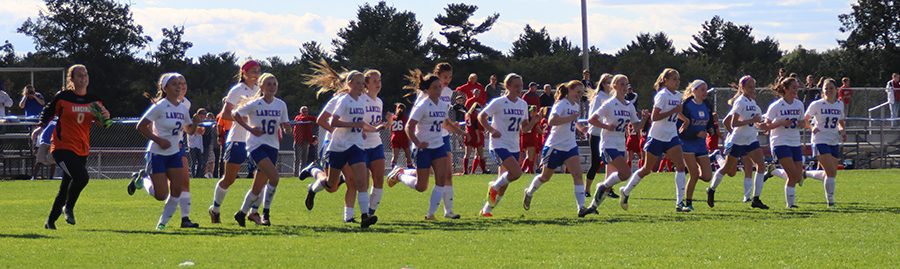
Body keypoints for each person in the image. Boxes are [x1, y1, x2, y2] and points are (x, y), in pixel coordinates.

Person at [127, 72, 202, 230]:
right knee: (161, 195)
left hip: (174, 154)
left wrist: (194, 123)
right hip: (158, 154)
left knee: (177, 190)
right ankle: (144, 180)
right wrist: (159, 140)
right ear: (165, 88)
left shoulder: (182, 107)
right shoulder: (160, 106)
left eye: (180, 84)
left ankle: (162, 223)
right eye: (174, 84)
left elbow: (189, 130)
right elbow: (140, 126)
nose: (178, 87)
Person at [41, 64, 111, 230]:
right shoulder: (64, 97)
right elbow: (48, 112)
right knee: (82, 178)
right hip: (62, 147)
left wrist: (106, 117)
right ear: (71, 79)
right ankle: (69, 207)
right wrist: (40, 126)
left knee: (66, 185)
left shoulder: (93, 100)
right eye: (79, 75)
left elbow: (104, 124)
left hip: (82, 149)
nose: (83, 78)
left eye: (85, 75)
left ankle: (50, 221)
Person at [386, 73, 460, 220]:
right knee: (422, 186)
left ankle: (430, 214)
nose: (439, 90)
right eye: (435, 87)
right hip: (423, 149)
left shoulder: (442, 105)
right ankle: (400, 174)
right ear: (427, 90)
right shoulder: (422, 105)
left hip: (438, 146)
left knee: (441, 179)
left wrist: (461, 132)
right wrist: (417, 142)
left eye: (439, 87)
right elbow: (409, 127)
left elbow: (445, 123)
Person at [619, 68, 690, 212]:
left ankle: (679, 203)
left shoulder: (678, 95)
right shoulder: (662, 95)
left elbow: (676, 114)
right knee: (647, 169)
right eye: (674, 79)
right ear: (665, 80)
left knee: (681, 166)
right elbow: (655, 117)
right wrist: (673, 111)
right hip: (657, 136)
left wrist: (685, 120)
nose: (677, 82)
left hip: (671, 135)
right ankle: (625, 191)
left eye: (678, 79)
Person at [522, 80, 591, 216]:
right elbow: (552, 121)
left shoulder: (576, 105)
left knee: (577, 175)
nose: (579, 95)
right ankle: (529, 191)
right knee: (545, 177)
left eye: (581, 93)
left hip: (570, 146)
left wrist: (581, 129)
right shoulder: (561, 104)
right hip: (555, 146)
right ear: (569, 91)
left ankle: (581, 207)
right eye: (577, 92)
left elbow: (574, 121)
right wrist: (571, 117)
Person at [230, 73, 291, 227]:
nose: (272, 87)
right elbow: (235, 113)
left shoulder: (281, 104)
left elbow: (285, 124)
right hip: (256, 146)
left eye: (274, 84)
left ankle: (241, 213)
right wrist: (249, 128)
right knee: (275, 178)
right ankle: (266, 212)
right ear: (262, 87)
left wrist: (287, 128)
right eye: (269, 84)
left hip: (273, 146)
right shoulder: (256, 104)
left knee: (258, 187)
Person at [583, 74, 646, 215]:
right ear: (615, 86)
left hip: (620, 144)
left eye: (626, 84)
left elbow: (636, 127)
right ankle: (603, 186)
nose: (625, 87)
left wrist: (644, 119)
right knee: (626, 172)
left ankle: (594, 204)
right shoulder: (609, 104)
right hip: (608, 144)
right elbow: (592, 120)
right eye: (622, 84)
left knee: (623, 175)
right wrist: (606, 126)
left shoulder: (629, 106)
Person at [209, 59, 261, 224]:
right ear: (243, 73)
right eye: (253, 70)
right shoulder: (237, 90)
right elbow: (224, 115)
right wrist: (247, 117)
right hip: (238, 139)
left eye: (258, 70)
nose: (256, 74)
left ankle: (254, 212)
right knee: (229, 179)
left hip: (256, 140)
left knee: (263, 176)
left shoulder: (260, 90)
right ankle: (215, 209)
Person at [706, 76, 769, 209]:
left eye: (754, 86)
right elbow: (734, 123)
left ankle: (755, 198)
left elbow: (756, 123)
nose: (753, 89)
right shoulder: (740, 102)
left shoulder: (753, 103)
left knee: (761, 166)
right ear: (743, 88)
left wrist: (763, 126)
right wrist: (751, 121)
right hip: (738, 139)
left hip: (751, 139)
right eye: (750, 87)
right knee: (728, 169)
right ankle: (711, 189)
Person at [479, 73, 528, 217]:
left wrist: (534, 120)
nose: (520, 89)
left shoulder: (523, 104)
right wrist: (491, 130)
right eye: (516, 86)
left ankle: (487, 210)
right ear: (508, 86)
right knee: (516, 173)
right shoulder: (499, 102)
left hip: (514, 145)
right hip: (499, 144)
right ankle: (493, 186)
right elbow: (481, 116)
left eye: (521, 85)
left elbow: (524, 128)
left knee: (504, 185)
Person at [760, 77, 806, 209]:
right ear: (785, 89)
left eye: (797, 88)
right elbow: (766, 127)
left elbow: (803, 123)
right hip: (780, 142)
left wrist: (797, 123)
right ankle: (790, 205)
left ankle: (773, 171)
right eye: (793, 88)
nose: (795, 91)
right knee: (792, 175)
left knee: (797, 177)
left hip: (795, 142)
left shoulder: (799, 104)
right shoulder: (776, 106)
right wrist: (780, 123)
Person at [801, 78, 845, 208]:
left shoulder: (839, 104)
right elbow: (805, 120)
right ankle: (830, 202)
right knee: (831, 172)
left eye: (831, 88)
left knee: (831, 173)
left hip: (833, 140)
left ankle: (805, 173)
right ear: (822, 90)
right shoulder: (817, 104)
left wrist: (842, 131)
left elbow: (841, 122)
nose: (829, 90)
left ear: (836, 90)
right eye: (826, 88)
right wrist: (812, 127)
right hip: (820, 140)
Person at [677, 80, 715, 211]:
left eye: (706, 89)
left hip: (700, 144)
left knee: (707, 176)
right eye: (702, 89)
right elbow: (680, 128)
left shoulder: (707, 105)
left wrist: (710, 129)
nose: (705, 92)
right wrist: (695, 133)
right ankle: (688, 202)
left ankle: (688, 182)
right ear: (694, 90)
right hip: (687, 143)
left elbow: (709, 121)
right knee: (694, 174)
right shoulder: (686, 105)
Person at [361, 69, 388, 217]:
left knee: (378, 179)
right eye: (374, 81)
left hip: (376, 143)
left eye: (379, 80)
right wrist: (366, 129)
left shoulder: (379, 102)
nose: (378, 84)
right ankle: (364, 213)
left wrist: (387, 123)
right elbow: (358, 122)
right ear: (366, 84)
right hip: (362, 145)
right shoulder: (361, 100)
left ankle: (370, 213)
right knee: (363, 183)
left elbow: (376, 123)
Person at [584, 73, 613, 199]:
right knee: (596, 162)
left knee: (611, 162)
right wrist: (605, 124)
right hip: (596, 133)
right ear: (602, 84)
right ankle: (587, 189)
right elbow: (593, 116)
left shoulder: (612, 97)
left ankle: (608, 187)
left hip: (607, 134)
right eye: (608, 82)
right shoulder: (599, 97)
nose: (610, 85)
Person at [463, 103, 487, 174]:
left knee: (467, 154)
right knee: (480, 154)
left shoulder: (467, 114)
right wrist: (478, 137)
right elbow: (476, 127)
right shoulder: (476, 115)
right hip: (476, 134)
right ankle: (483, 170)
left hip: (468, 134)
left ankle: (465, 171)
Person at [292, 106, 316, 175]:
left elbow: (315, 119)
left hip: (306, 140)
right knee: (297, 159)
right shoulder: (298, 118)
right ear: (300, 112)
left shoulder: (309, 118)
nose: (305, 113)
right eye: (303, 111)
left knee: (304, 159)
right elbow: (302, 119)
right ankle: (296, 174)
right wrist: (309, 119)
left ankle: (302, 173)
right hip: (298, 140)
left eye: (306, 111)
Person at [389, 103, 414, 169]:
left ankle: (393, 168)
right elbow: (407, 128)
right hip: (403, 137)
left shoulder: (393, 118)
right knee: (408, 155)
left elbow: (391, 128)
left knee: (395, 156)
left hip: (395, 137)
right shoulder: (405, 118)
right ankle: (410, 167)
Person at [519, 105, 542, 173]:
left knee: (528, 155)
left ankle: (527, 169)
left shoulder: (526, 119)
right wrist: (542, 132)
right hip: (530, 138)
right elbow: (537, 128)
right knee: (530, 156)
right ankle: (527, 170)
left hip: (525, 137)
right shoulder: (533, 119)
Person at [188, 109, 206, 178]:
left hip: (198, 145)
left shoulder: (201, 124)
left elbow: (202, 132)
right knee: (193, 161)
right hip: (192, 145)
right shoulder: (191, 123)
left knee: (200, 162)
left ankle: (198, 176)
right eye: (201, 117)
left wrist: (199, 130)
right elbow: (192, 132)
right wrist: (197, 130)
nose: (201, 119)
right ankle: (193, 176)